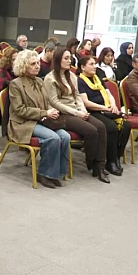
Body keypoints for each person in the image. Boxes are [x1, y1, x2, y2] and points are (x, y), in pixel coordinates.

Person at [43, 48, 109, 183]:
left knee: (101, 127)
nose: (70, 61)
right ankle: (91, 163)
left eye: (70, 58)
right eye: (66, 58)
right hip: (62, 114)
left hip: (77, 110)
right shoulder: (50, 78)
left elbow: (77, 96)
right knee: (91, 131)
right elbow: (54, 102)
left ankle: (100, 166)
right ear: (58, 60)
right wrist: (76, 113)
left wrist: (82, 110)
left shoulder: (72, 76)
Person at [8, 50, 70, 189]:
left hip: (41, 119)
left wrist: (52, 111)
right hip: (23, 123)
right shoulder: (15, 84)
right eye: (32, 64)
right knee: (53, 138)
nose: (37, 66)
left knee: (65, 136)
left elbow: (46, 102)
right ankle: (44, 174)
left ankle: (55, 173)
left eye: (37, 63)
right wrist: (45, 112)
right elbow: (19, 110)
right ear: (23, 66)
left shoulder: (40, 81)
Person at [77, 55, 131, 177]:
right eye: (91, 64)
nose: (94, 66)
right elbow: (86, 102)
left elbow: (109, 94)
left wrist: (113, 105)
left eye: (94, 64)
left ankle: (116, 157)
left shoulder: (97, 78)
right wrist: (105, 108)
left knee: (126, 126)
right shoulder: (80, 81)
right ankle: (109, 161)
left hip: (106, 108)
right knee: (111, 127)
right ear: (83, 67)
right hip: (93, 111)